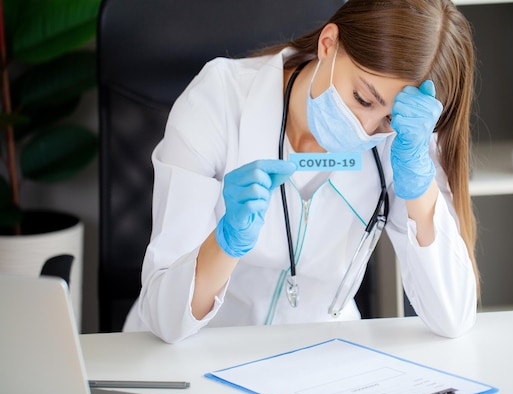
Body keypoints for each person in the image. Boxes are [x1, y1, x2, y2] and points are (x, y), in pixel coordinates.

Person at [123, 0, 480, 343]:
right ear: (328, 44)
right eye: (362, 98)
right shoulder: (218, 100)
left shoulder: (404, 143)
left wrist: (419, 182)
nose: (366, 128)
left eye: (388, 118)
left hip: (321, 359)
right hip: (201, 348)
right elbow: (164, 318)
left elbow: (452, 318)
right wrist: (225, 242)